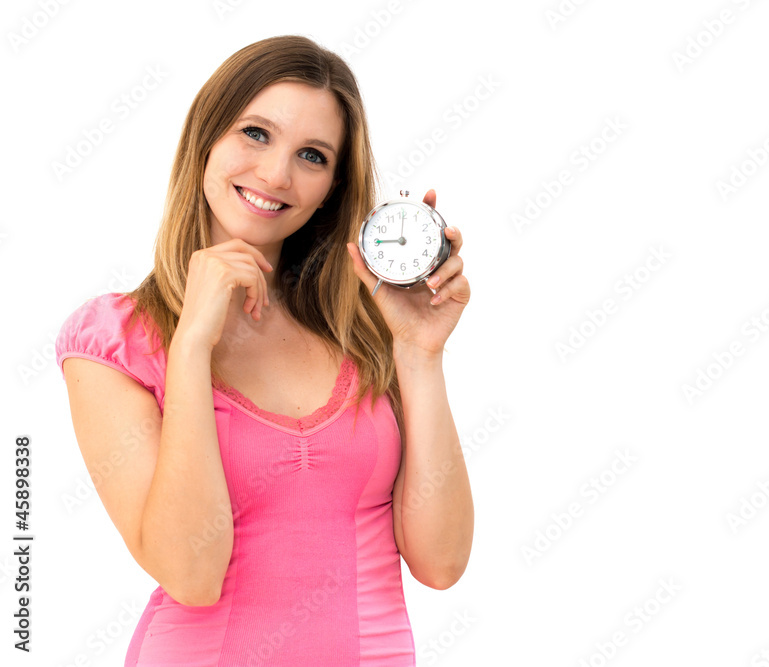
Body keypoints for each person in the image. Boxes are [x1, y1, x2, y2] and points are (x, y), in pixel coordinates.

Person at [54, 34, 473, 666]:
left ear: (333, 187)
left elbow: (440, 563)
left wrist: (419, 354)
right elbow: (191, 574)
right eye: (255, 133)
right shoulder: (115, 340)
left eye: (312, 155)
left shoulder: (364, 329)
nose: (276, 174)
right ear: (206, 139)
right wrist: (192, 343)